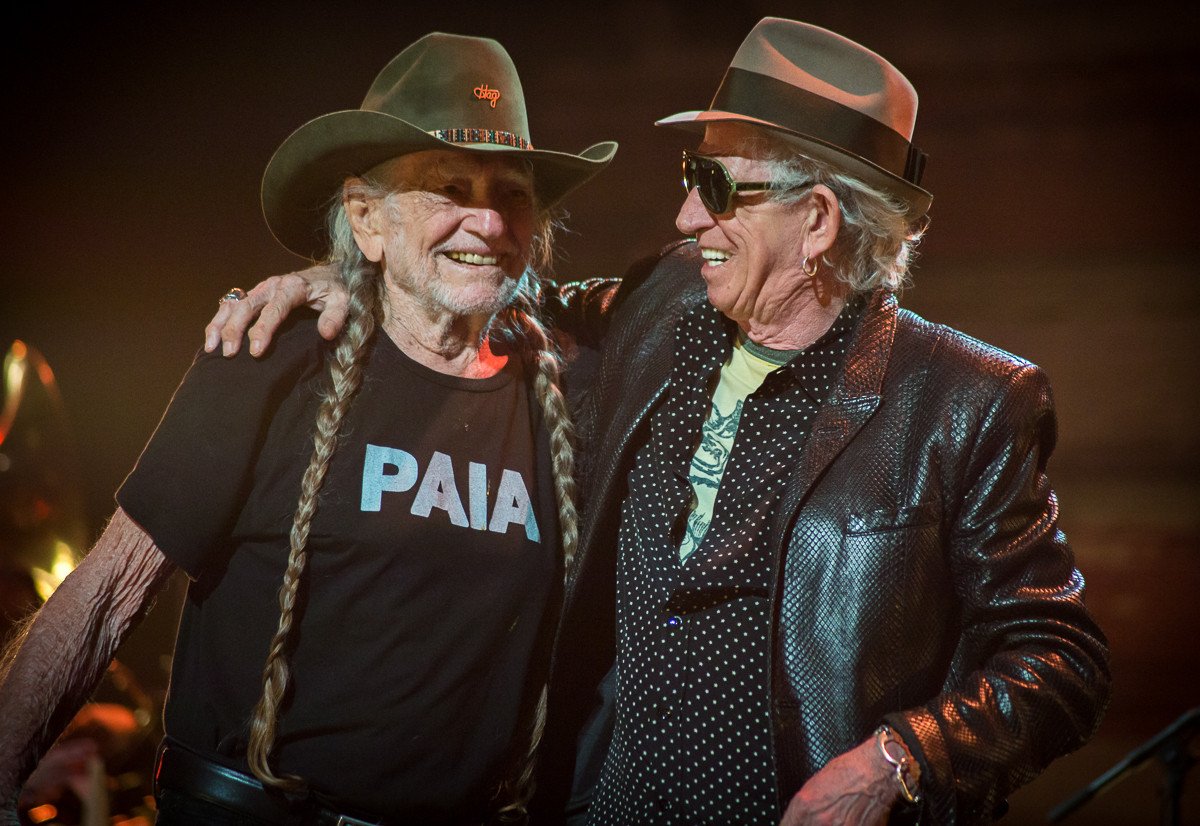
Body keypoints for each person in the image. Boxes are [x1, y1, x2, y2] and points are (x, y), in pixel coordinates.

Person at [204, 18, 1112, 826]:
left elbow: (1061, 658)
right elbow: (490, 291)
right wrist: (348, 274)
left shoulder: (965, 402)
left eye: (715, 185)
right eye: (689, 176)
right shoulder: (661, 303)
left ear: (817, 220)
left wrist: (897, 762)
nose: (685, 215)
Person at [0, 31, 617, 825]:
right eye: (449, 188)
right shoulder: (274, 355)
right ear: (366, 219)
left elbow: (675, 284)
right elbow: (107, 594)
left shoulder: (568, 388)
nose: (488, 221)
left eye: (512, 194)